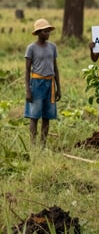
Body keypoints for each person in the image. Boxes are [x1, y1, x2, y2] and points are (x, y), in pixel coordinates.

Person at [24, 18, 61, 146]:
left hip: (49, 84)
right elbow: (27, 70)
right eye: (45, 31)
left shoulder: (52, 47)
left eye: (49, 31)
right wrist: (28, 90)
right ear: (39, 32)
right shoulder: (31, 48)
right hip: (36, 84)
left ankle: (43, 144)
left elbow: (55, 68)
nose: (48, 33)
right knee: (34, 116)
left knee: (47, 116)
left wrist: (58, 88)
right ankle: (33, 144)